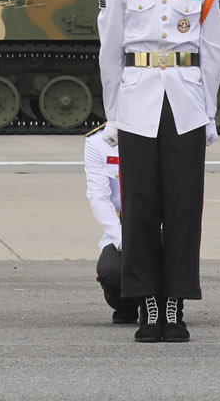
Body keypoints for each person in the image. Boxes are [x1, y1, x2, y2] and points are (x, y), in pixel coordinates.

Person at [97, 0, 220, 342]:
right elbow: (109, 51)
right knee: (140, 207)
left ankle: (174, 305)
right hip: (137, 100)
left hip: (186, 100)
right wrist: (113, 115)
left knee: (183, 207)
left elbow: (213, 50)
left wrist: (208, 112)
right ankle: (148, 304)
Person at [85, 121, 142, 324]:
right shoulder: (98, 143)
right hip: (121, 227)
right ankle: (126, 305)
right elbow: (98, 197)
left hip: (158, 225)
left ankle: (165, 306)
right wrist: (121, 241)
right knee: (112, 272)